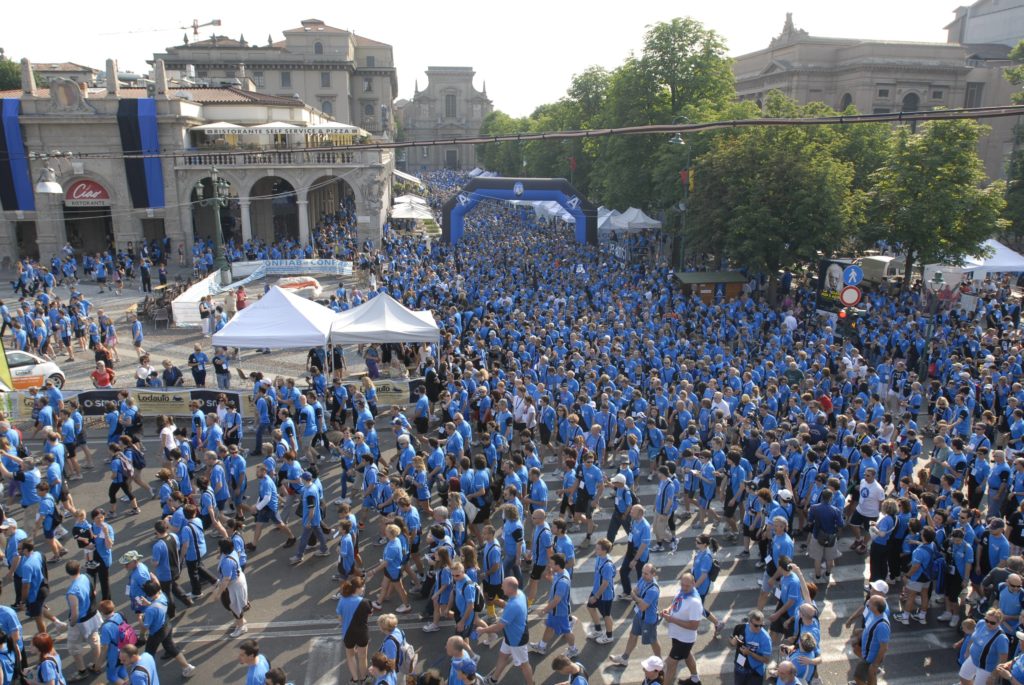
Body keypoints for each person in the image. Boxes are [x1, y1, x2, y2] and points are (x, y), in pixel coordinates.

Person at [478, 577, 534, 685]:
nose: (501, 587)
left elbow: (499, 626)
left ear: (510, 588)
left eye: (503, 585)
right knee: (503, 656)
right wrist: (499, 602)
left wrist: (483, 630)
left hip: (517, 640)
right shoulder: (520, 594)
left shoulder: (513, 605)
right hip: (511, 635)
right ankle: (493, 680)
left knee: (524, 665)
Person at [139, 579, 196, 678]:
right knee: (170, 647)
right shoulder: (162, 596)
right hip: (166, 625)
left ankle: (147, 676)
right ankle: (186, 666)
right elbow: (156, 607)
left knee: (148, 655)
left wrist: (141, 624)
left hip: (156, 633)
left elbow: (146, 626)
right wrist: (148, 603)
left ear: (147, 593)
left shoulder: (150, 610)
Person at [660, 572, 703, 685]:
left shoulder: (694, 602)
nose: (684, 588)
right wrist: (668, 610)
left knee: (671, 663)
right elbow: (675, 603)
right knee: (687, 655)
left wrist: (672, 619)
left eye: (687, 586)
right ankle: (695, 679)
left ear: (693, 584)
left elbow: (694, 626)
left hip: (685, 639)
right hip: (677, 635)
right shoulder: (682, 592)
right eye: (682, 585)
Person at [64, 559, 102, 680]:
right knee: (95, 640)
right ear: (79, 568)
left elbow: (75, 613)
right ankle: (96, 665)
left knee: (74, 647)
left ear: (67, 572)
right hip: (93, 614)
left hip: (81, 622)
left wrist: (71, 623)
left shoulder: (72, 592)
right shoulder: (87, 577)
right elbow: (94, 592)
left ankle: (82, 671)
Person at [206, 538, 249, 638]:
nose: (217, 548)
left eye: (219, 546)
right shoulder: (231, 553)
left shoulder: (227, 562)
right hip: (238, 581)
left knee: (233, 605)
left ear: (223, 549)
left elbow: (226, 580)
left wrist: (218, 593)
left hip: (233, 585)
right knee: (235, 605)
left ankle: (241, 627)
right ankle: (240, 621)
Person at [336, 578, 373, 684]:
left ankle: (355, 680)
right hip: (362, 633)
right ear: (357, 589)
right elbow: (370, 614)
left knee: (350, 656)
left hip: (348, 633)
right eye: (362, 586)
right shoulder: (366, 602)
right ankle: (364, 678)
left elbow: (339, 618)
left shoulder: (342, 599)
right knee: (362, 657)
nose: (363, 588)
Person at [853, 596, 890, 685]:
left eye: (870, 602)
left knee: (857, 677)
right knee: (870, 676)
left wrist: (875, 664)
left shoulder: (882, 626)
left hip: (870, 657)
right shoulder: (875, 615)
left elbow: (884, 647)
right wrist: (862, 631)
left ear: (875, 608)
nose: (868, 602)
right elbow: (871, 629)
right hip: (867, 653)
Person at [730, 609, 772, 685]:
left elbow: (766, 660)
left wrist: (749, 653)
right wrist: (732, 642)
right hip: (740, 668)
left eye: (761, 625)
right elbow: (732, 639)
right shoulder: (740, 628)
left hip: (755, 672)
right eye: (756, 625)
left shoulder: (766, 638)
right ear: (749, 622)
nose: (759, 628)